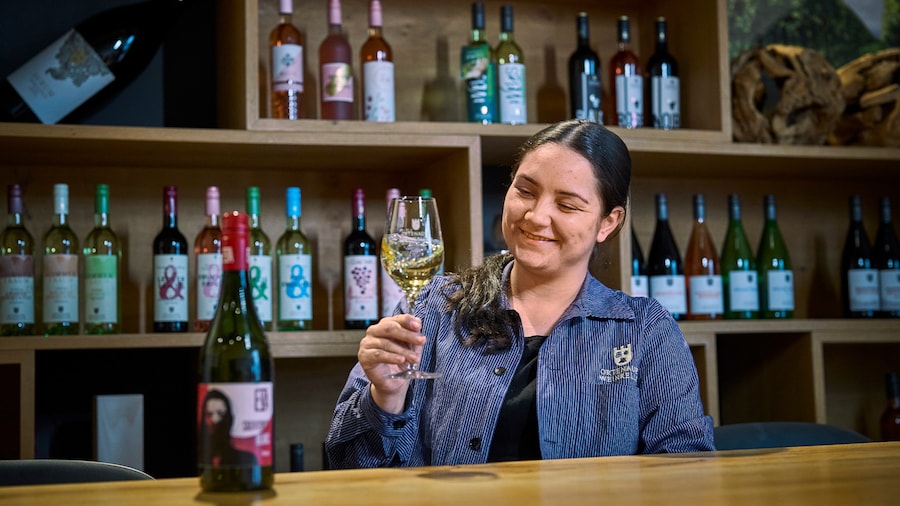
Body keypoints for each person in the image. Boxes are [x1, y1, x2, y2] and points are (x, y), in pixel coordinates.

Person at [325, 119, 715, 468]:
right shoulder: (436, 307)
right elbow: (347, 466)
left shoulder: (644, 329)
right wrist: (384, 397)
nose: (536, 216)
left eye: (566, 204)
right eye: (525, 191)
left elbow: (686, 470)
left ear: (607, 223)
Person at [199, 389, 259, 468]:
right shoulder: (200, 457)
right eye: (209, 414)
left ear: (229, 419)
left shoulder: (246, 459)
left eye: (220, 414)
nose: (215, 420)